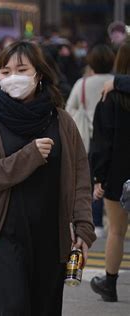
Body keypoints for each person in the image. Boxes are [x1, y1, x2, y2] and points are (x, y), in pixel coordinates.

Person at [0, 41, 96, 315]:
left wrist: (83, 226)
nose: (12, 77)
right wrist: (28, 157)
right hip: (4, 234)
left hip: (51, 234)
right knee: (10, 308)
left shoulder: (61, 121)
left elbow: (80, 177)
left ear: (39, 75)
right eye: (5, 71)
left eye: (22, 69)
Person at [90, 41, 130, 302]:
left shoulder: (110, 97)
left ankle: (110, 284)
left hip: (118, 174)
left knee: (116, 230)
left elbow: (102, 143)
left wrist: (98, 178)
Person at [66, 44, 115, 238]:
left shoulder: (83, 84)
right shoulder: (116, 82)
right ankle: (115, 217)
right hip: (112, 139)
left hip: (88, 140)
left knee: (91, 180)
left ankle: (96, 222)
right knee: (112, 179)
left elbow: (69, 109)